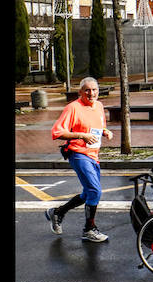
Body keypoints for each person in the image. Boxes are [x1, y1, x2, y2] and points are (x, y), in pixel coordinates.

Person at [46, 76, 114, 242]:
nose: (91, 93)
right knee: (95, 191)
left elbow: (98, 125)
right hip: (77, 153)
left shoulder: (99, 106)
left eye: (94, 90)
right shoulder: (72, 108)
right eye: (87, 90)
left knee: (87, 194)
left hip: (93, 155)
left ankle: (58, 212)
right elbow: (57, 132)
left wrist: (105, 131)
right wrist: (81, 135)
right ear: (81, 92)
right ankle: (89, 229)